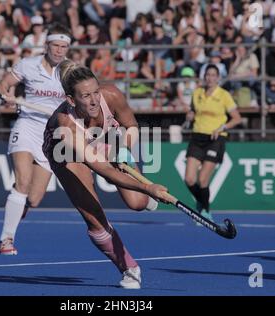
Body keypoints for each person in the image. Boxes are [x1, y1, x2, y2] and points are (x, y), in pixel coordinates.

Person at [42, 60, 167, 289]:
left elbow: (132, 127)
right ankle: (129, 268)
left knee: (138, 203)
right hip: (65, 154)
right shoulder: (66, 126)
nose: (94, 101)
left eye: (95, 92)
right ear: (71, 100)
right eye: (85, 96)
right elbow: (105, 170)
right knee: (94, 218)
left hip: (104, 139)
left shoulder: (112, 95)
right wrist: (148, 187)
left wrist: (121, 150)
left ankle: (142, 199)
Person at [0, 23, 72, 255]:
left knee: (35, 198)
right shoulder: (28, 65)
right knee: (23, 182)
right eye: (55, 45)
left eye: (63, 47)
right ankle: (6, 239)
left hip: (51, 135)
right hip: (26, 126)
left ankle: (18, 205)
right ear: (46, 45)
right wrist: (6, 96)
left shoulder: (71, 72)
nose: (59, 51)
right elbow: (3, 85)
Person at [184, 64, 242, 223]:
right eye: (207, 75)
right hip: (197, 137)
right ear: (204, 77)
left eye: (213, 75)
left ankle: (206, 211)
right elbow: (192, 111)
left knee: (203, 179)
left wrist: (222, 127)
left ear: (218, 77)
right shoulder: (197, 93)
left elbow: (237, 118)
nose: (210, 78)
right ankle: (201, 201)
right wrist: (189, 115)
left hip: (215, 139)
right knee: (189, 179)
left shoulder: (224, 95)